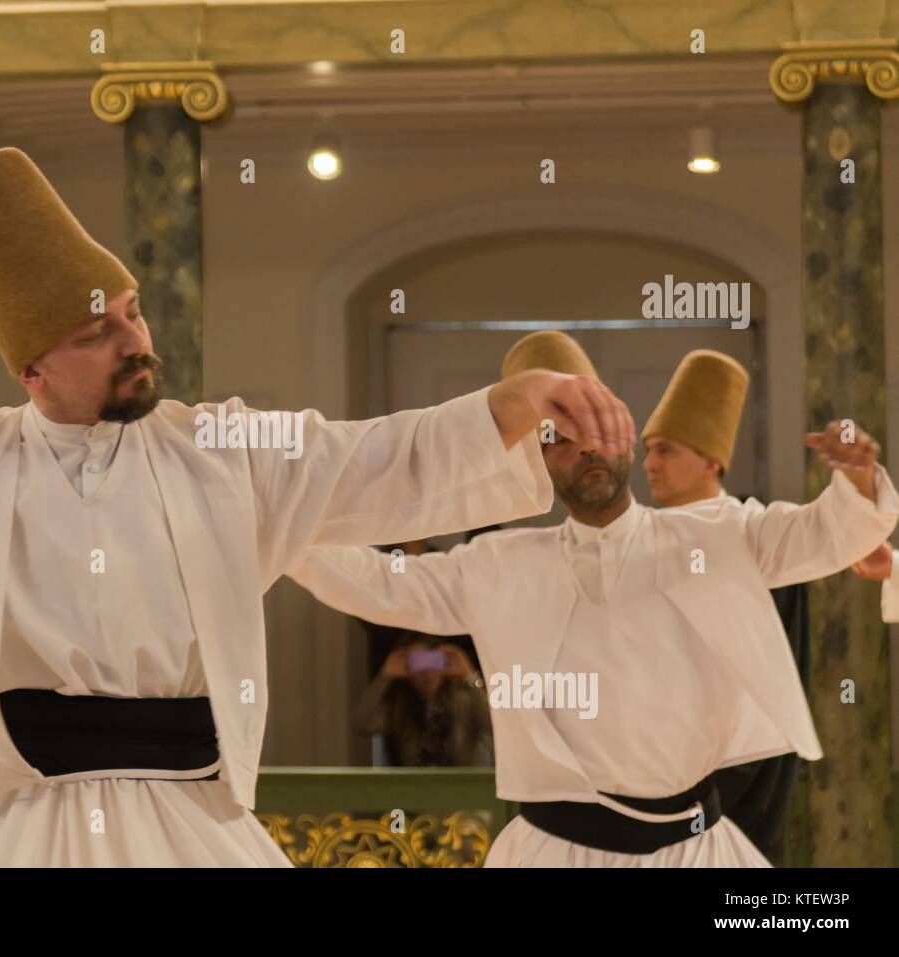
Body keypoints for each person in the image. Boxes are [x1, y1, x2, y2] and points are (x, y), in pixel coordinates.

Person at [0, 129, 636, 866]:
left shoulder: (222, 450)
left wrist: (507, 404)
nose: (137, 338)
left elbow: (378, 460)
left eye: (133, 311)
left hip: (186, 825)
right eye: (97, 328)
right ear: (31, 368)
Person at [288, 330, 897, 867]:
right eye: (557, 438)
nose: (581, 450)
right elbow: (377, 584)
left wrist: (859, 479)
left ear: (625, 436)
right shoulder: (498, 566)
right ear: (536, 461)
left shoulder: (717, 532)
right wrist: (277, 531)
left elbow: (824, 535)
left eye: (594, 432)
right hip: (554, 854)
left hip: (693, 852)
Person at [641, 349, 808, 864]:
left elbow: (769, 687)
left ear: (711, 460)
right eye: (647, 450)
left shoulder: (755, 544)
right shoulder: (644, 543)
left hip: (737, 781)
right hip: (652, 782)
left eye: (665, 450)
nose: (648, 464)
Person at [354, 635, 493, 767]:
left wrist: (470, 675)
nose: (427, 672)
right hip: (416, 787)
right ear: (406, 667)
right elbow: (362, 723)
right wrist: (384, 676)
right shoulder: (399, 706)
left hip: (465, 786)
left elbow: (494, 725)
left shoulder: (465, 702)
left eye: (434, 662)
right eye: (418, 663)